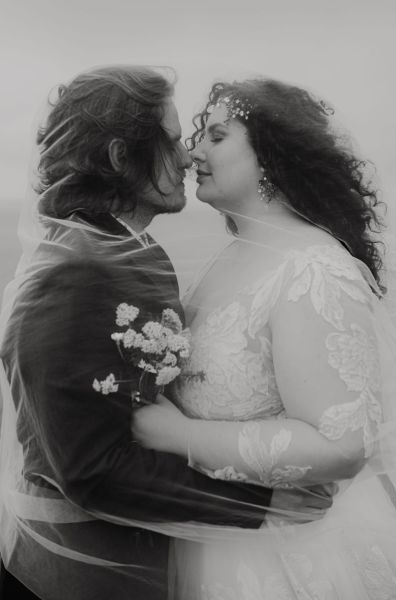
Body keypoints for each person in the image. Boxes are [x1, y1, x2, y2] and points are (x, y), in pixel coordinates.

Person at [0, 66, 285, 600]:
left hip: (142, 555)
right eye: (173, 139)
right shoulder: (77, 270)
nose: (186, 156)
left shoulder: (128, 249)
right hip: (85, 574)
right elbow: (91, 472)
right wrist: (261, 505)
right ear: (117, 157)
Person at [132, 78, 396, 598]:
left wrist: (176, 437)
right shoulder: (230, 259)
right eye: (197, 137)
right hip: (223, 541)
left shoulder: (313, 268)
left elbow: (342, 443)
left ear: (270, 154)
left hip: (297, 554)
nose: (192, 153)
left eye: (216, 135)